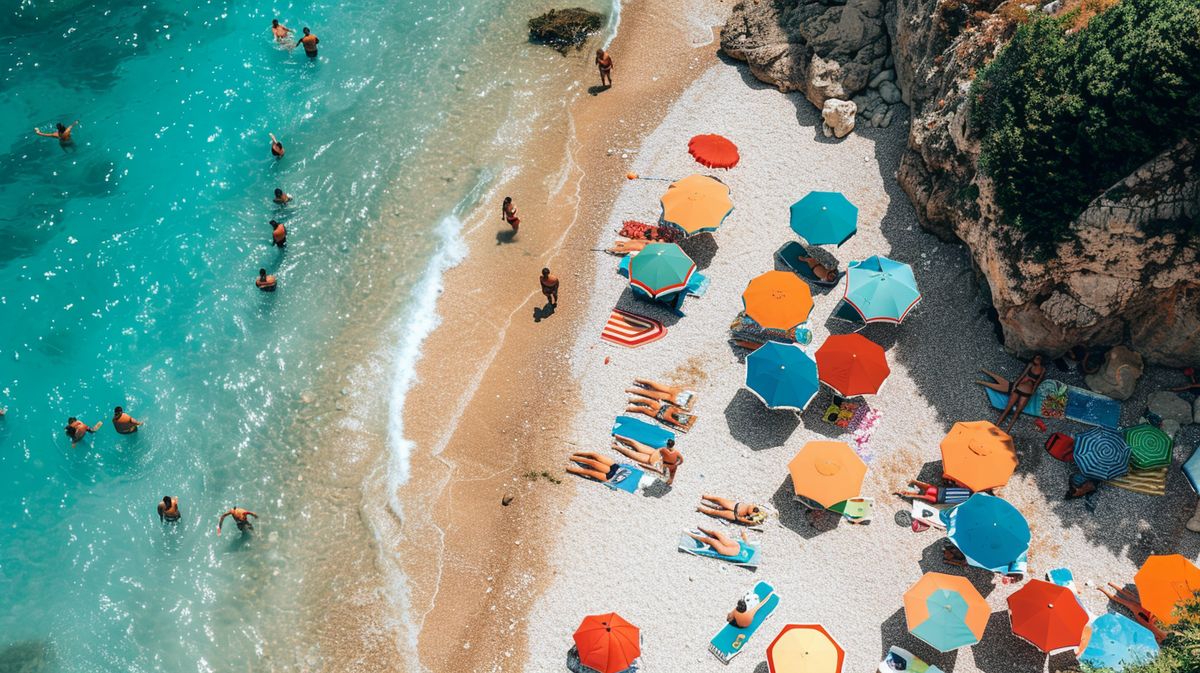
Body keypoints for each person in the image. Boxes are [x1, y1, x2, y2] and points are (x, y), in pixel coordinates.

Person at [978, 355, 1046, 431]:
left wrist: (1032, 392)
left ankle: (1007, 430)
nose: (1035, 359)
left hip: (1027, 392)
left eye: (1038, 358)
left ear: (1042, 360)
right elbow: (1022, 375)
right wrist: (1015, 385)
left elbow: (1037, 382)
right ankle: (996, 425)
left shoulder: (1043, 369)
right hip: (1019, 387)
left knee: (1017, 412)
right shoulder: (1030, 365)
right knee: (1008, 408)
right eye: (1035, 357)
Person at [625, 397, 697, 432]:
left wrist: (682, 425)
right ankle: (628, 407)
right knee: (643, 409)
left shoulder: (674, 411)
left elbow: (675, 420)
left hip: (663, 411)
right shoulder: (674, 413)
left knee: (645, 406)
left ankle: (630, 403)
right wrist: (682, 426)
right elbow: (675, 422)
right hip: (662, 413)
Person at [688, 526, 753, 560]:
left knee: (710, 540)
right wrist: (743, 533)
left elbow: (746, 541)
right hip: (736, 545)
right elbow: (746, 541)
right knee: (716, 533)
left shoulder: (746, 550)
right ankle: (703, 530)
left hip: (728, 550)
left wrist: (743, 534)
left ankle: (692, 535)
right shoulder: (747, 546)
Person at [697, 495, 767, 525]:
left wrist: (752, 518)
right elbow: (750, 508)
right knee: (719, 500)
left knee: (715, 512)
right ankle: (705, 497)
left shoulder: (751, 521)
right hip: (735, 506)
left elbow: (742, 519)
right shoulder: (754, 508)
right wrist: (753, 516)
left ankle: (701, 509)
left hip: (734, 515)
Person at [627, 379, 696, 409]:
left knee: (663, 388)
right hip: (686, 402)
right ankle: (631, 389)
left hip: (691, 395)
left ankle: (639, 380)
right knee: (651, 393)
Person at [893, 480, 971, 504]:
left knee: (924, 490)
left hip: (942, 494)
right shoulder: (970, 501)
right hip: (941, 497)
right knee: (922, 493)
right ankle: (902, 491)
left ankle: (902, 490)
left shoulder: (971, 490)